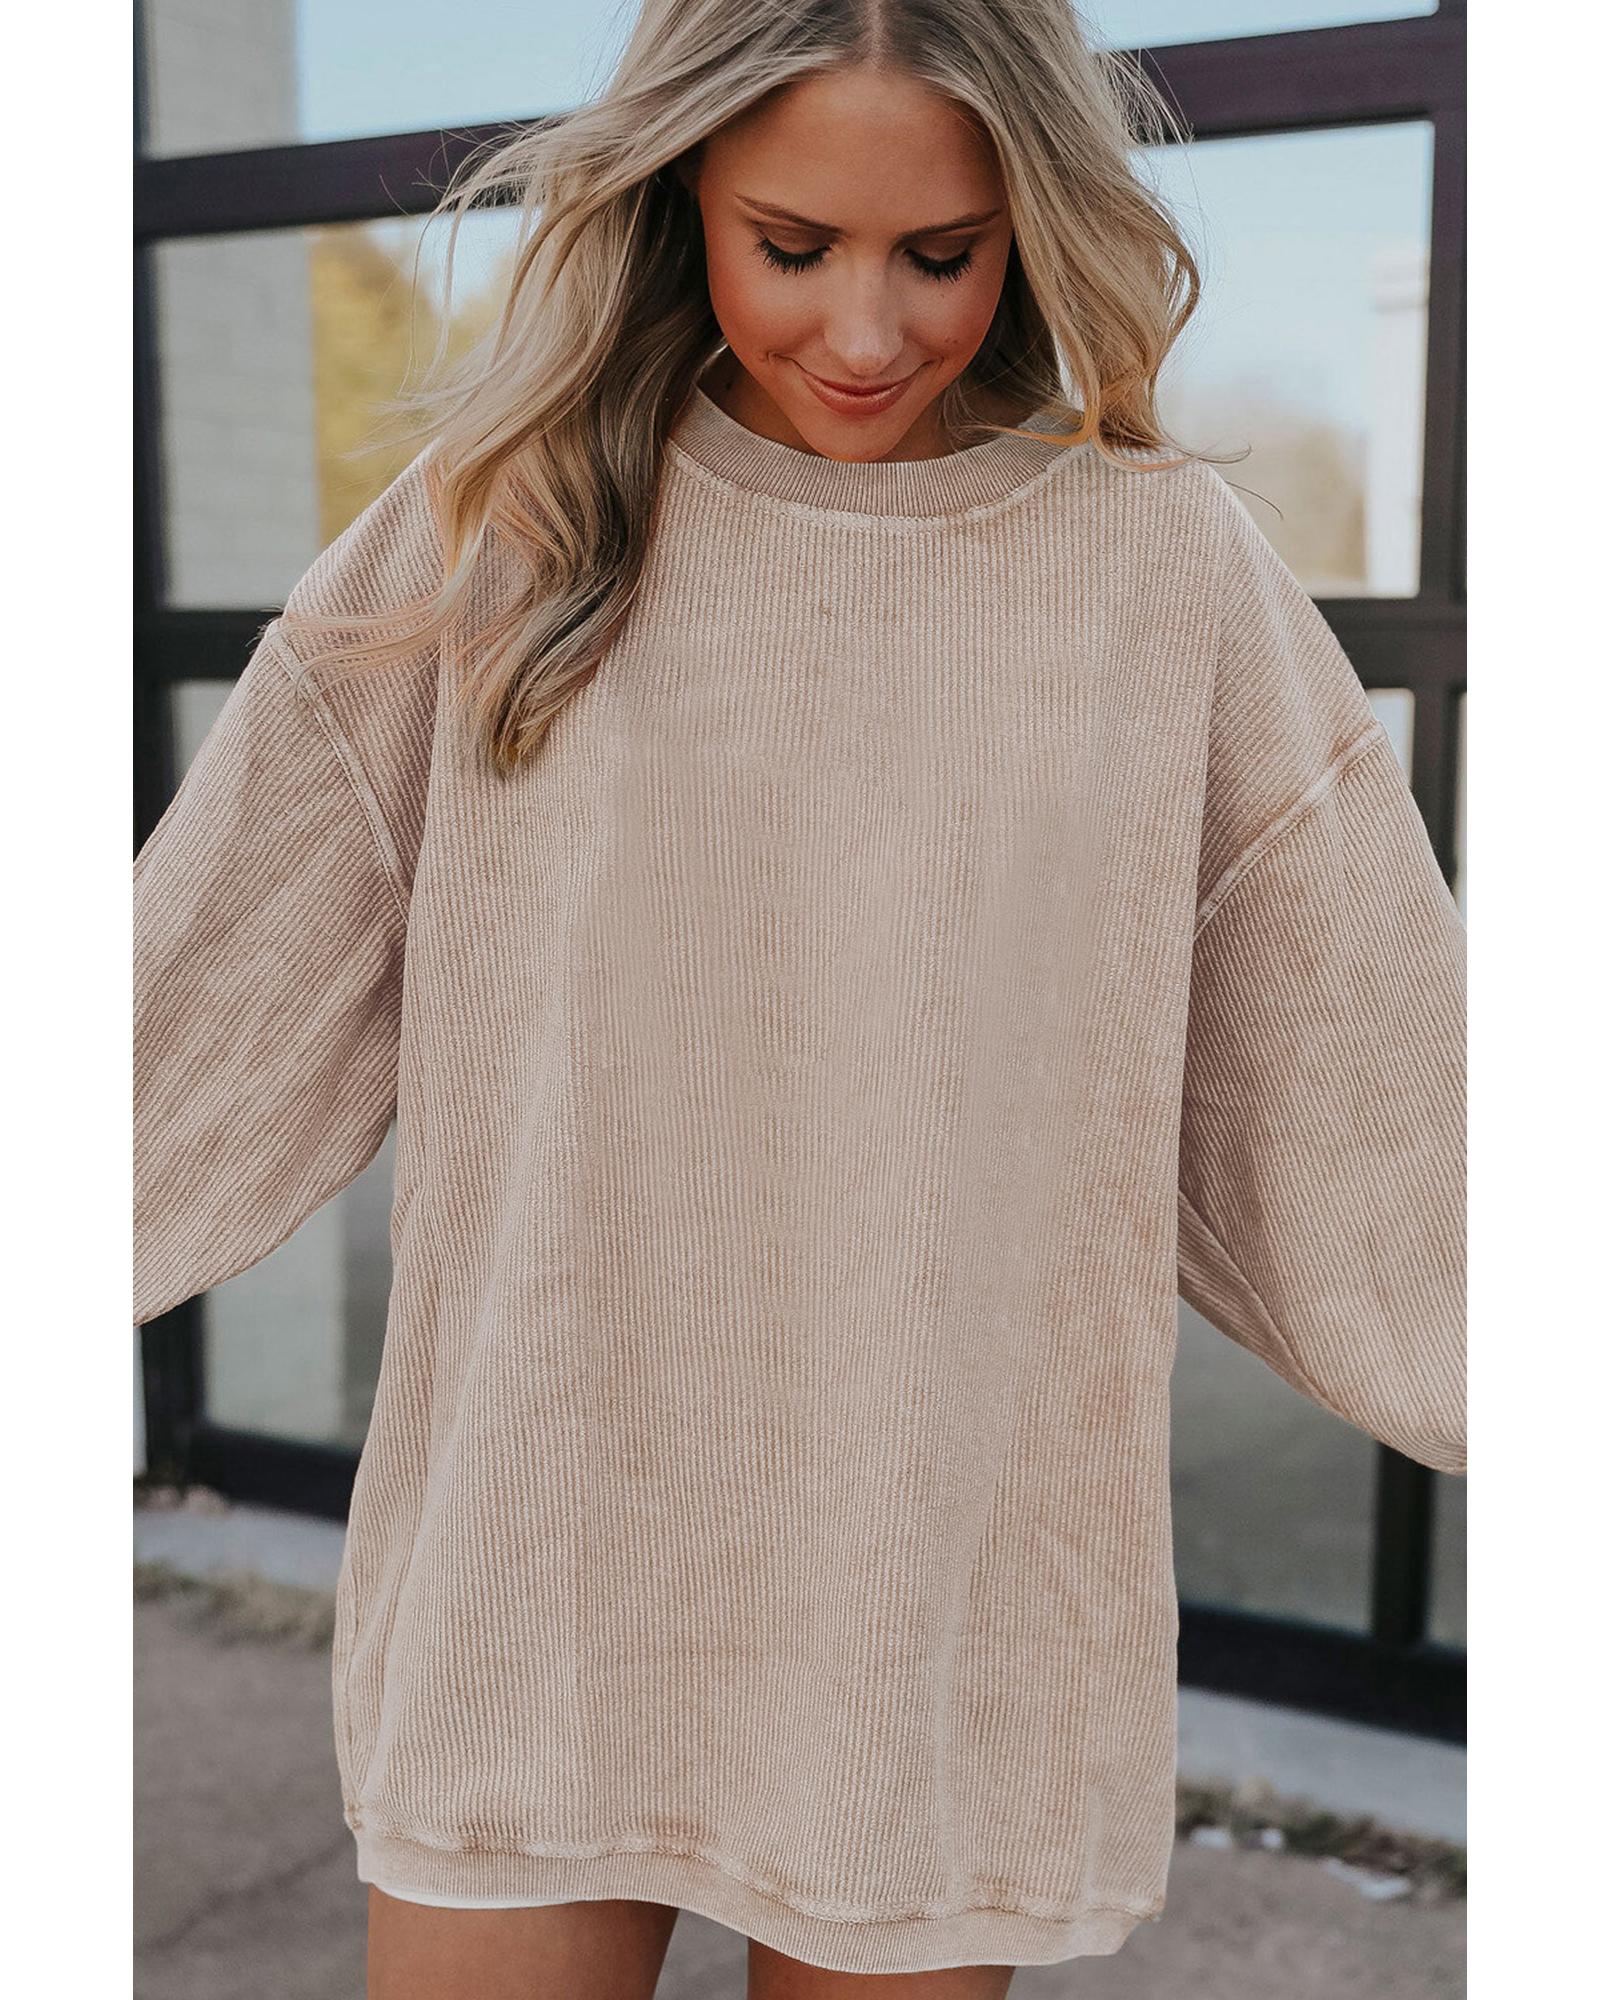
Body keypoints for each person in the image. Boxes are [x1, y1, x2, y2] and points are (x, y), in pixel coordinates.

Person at [131, 3, 1467, 1997]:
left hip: (931, 1593)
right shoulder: (507, 530)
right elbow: (198, 988)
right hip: (543, 1555)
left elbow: (1371, 1067)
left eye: (940, 252)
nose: (863, 330)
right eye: (792, 244)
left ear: (1030, 226)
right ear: (678, 198)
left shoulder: (1153, 568)